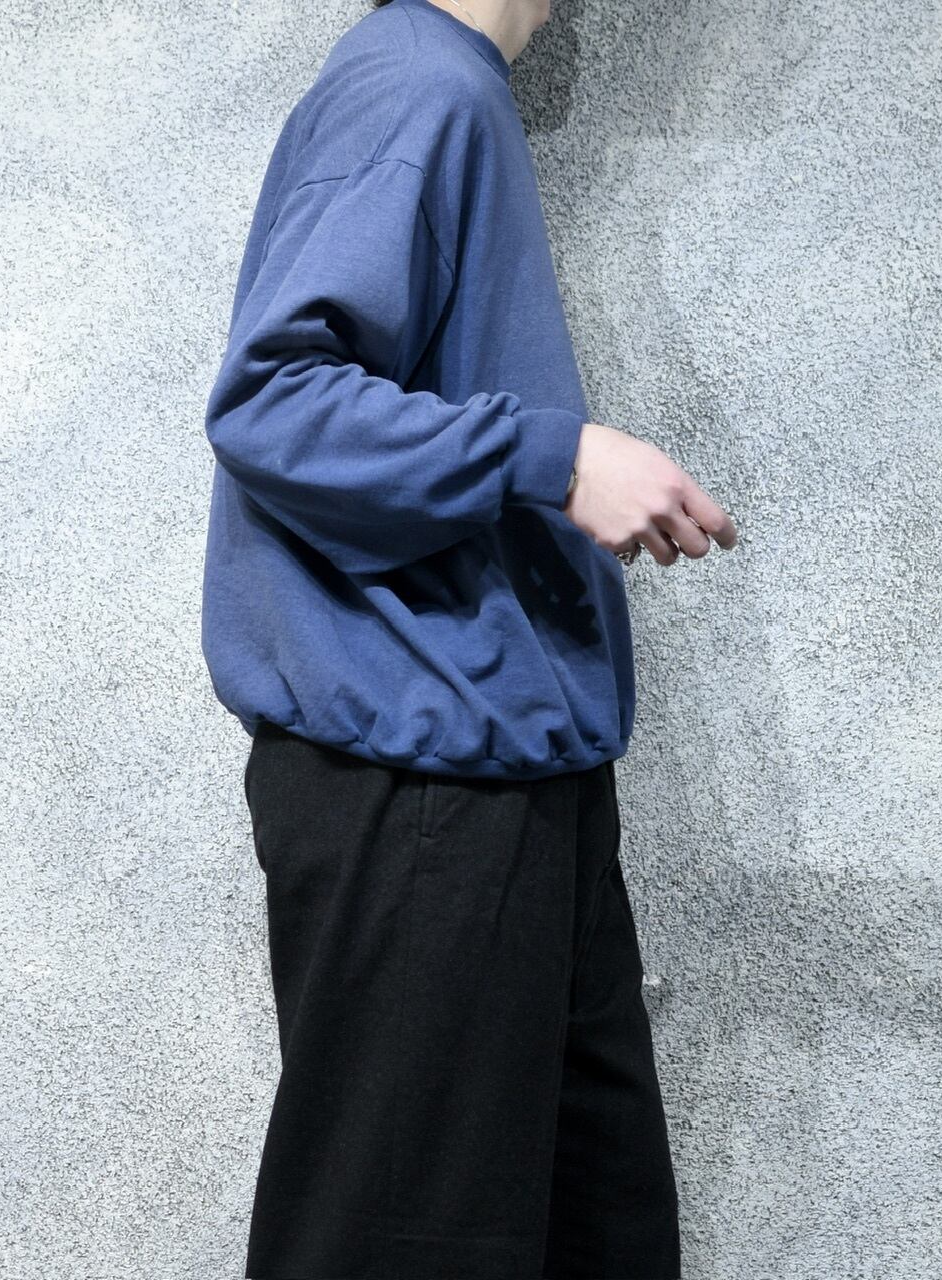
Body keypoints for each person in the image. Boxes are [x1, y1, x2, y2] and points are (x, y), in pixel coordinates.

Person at [200, 0, 737, 1275]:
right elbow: (272, 399)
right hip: (423, 776)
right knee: (400, 1246)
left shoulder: (449, 88)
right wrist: (556, 455)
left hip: (505, 770)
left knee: (590, 1233)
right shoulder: (414, 84)